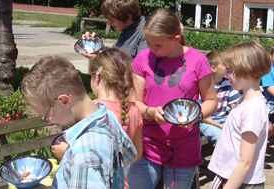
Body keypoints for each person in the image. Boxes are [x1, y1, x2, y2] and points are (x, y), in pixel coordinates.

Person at [127, 8, 218, 189]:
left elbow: (211, 101)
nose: (151, 48)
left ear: (176, 39)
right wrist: (150, 112)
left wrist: (195, 117)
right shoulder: (143, 58)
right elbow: (133, 101)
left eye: (158, 45)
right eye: (148, 42)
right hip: (145, 146)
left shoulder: (198, 60)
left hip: (183, 151)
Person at [21, 56, 137, 188]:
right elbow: (127, 157)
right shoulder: (108, 117)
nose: (49, 122)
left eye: (46, 115)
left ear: (64, 101)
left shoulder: (84, 153)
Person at [208, 40, 271, 189]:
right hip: (233, 177)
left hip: (240, 182)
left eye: (230, 70)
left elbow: (245, 162)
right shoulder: (244, 100)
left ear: (247, 70)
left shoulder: (252, 110)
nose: (227, 75)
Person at [200, 51, 241, 146]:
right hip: (207, 121)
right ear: (213, 68)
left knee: (240, 133)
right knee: (220, 138)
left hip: (224, 118)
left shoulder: (227, 82)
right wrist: (220, 125)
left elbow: (234, 104)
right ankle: (222, 160)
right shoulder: (204, 85)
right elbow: (201, 116)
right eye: (225, 65)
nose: (228, 67)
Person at [82, 0, 147, 60]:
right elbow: (114, 54)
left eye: (112, 20)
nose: (109, 23)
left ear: (128, 18)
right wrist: (96, 44)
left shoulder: (145, 35)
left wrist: (100, 60)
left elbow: (140, 70)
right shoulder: (127, 29)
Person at [260, 41, 274, 138]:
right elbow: (271, 90)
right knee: (269, 129)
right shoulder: (268, 70)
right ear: (271, 55)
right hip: (271, 105)